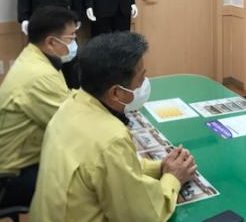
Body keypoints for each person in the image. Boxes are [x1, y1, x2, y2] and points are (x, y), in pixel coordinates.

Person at [30, 32, 197, 222]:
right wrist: (173, 177)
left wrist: (161, 167)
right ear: (116, 93)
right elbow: (142, 215)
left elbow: (114, 169)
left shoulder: (71, 103)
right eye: (141, 79)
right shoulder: (111, 139)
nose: (144, 83)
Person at [0, 6, 79, 207]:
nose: (75, 44)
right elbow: (72, 126)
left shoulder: (35, 57)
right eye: (71, 38)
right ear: (51, 42)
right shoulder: (39, 74)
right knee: (87, 184)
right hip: (8, 178)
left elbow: (65, 98)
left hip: (12, 164)